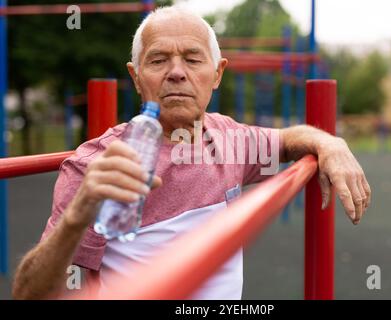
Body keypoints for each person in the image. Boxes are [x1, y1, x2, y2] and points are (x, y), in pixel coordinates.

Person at [12, 5, 371, 300]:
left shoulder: (230, 139)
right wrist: (77, 217)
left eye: (193, 59)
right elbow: (30, 294)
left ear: (217, 74)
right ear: (136, 77)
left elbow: (288, 139)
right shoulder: (95, 167)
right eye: (158, 60)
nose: (176, 73)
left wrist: (330, 143)